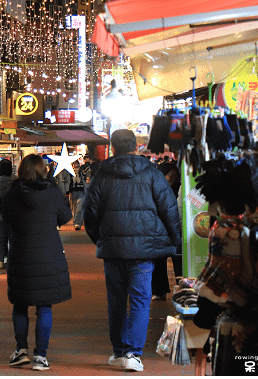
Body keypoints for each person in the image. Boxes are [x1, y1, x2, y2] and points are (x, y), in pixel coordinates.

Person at [83, 129, 181, 373]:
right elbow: (169, 208)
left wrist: (101, 239)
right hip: (144, 250)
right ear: (136, 147)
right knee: (139, 299)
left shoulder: (101, 174)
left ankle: (118, 351)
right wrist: (175, 239)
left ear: (113, 148)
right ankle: (133, 354)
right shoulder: (151, 172)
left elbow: (90, 214)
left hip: (113, 249)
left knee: (115, 300)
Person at [2, 153, 72, 372]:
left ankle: (21, 351)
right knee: (44, 305)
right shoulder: (52, 192)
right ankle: (40, 356)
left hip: (21, 253)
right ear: (44, 170)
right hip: (48, 254)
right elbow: (65, 216)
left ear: (21, 171)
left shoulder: (13, 193)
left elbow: (6, 219)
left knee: (20, 304)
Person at [152, 161, 182, 299]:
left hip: (177, 227)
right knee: (159, 260)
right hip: (161, 228)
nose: (172, 178)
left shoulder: (181, 187)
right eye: (170, 175)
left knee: (178, 259)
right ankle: (159, 290)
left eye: (174, 175)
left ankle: (182, 287)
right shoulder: (157, 187)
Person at [68, 156, 86, 230]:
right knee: (74, 208)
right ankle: (76, 222)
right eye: (75, 166)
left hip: (81, 191)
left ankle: (77, 223)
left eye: (77, 166)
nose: (76, 167)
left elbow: (86, 180)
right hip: (72, 192)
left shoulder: (82, 173)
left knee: (79, 208)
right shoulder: (69, 173)